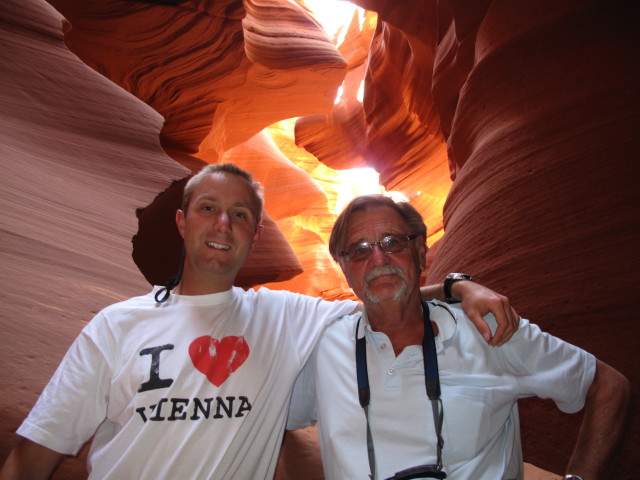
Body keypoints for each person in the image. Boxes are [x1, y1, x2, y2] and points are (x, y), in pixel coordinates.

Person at [0, 164, 518, 480]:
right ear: (182, 223)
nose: (223, 225)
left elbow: (383, 294)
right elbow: (34, 456)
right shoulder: (117, 325)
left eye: (241, 215)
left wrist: (457, 286)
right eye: (208, 208)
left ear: (255, 235)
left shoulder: (283, 315)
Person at [287, 194, 631, 480]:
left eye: (393, 242)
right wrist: (456, 286)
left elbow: (607, 386)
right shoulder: (325, 347)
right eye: (360, 250)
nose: (378, 258)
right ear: (344, 267)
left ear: (421, 251)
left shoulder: (487, 331)